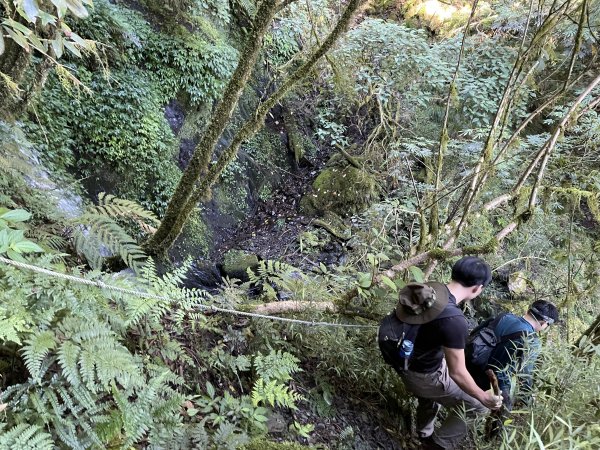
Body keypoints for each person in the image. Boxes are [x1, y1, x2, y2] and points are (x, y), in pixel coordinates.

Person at [396, 256, 503, 450]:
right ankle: (437, 446)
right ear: (477, 288)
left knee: (448, 377)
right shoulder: (454, 320)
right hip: (421, 374)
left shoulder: (431, 289)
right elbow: (457, 372)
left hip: (402, 356)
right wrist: (483, 397)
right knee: (477, 406)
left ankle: (423, 432)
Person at [467, 300, 559, 412]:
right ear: (544, 322)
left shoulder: (504, 316)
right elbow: (525, 374)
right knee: (500, 410)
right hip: (491, 382)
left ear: (528, 310)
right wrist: (526, 398)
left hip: (468, 363)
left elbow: (474, 334)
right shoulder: (532, 341)